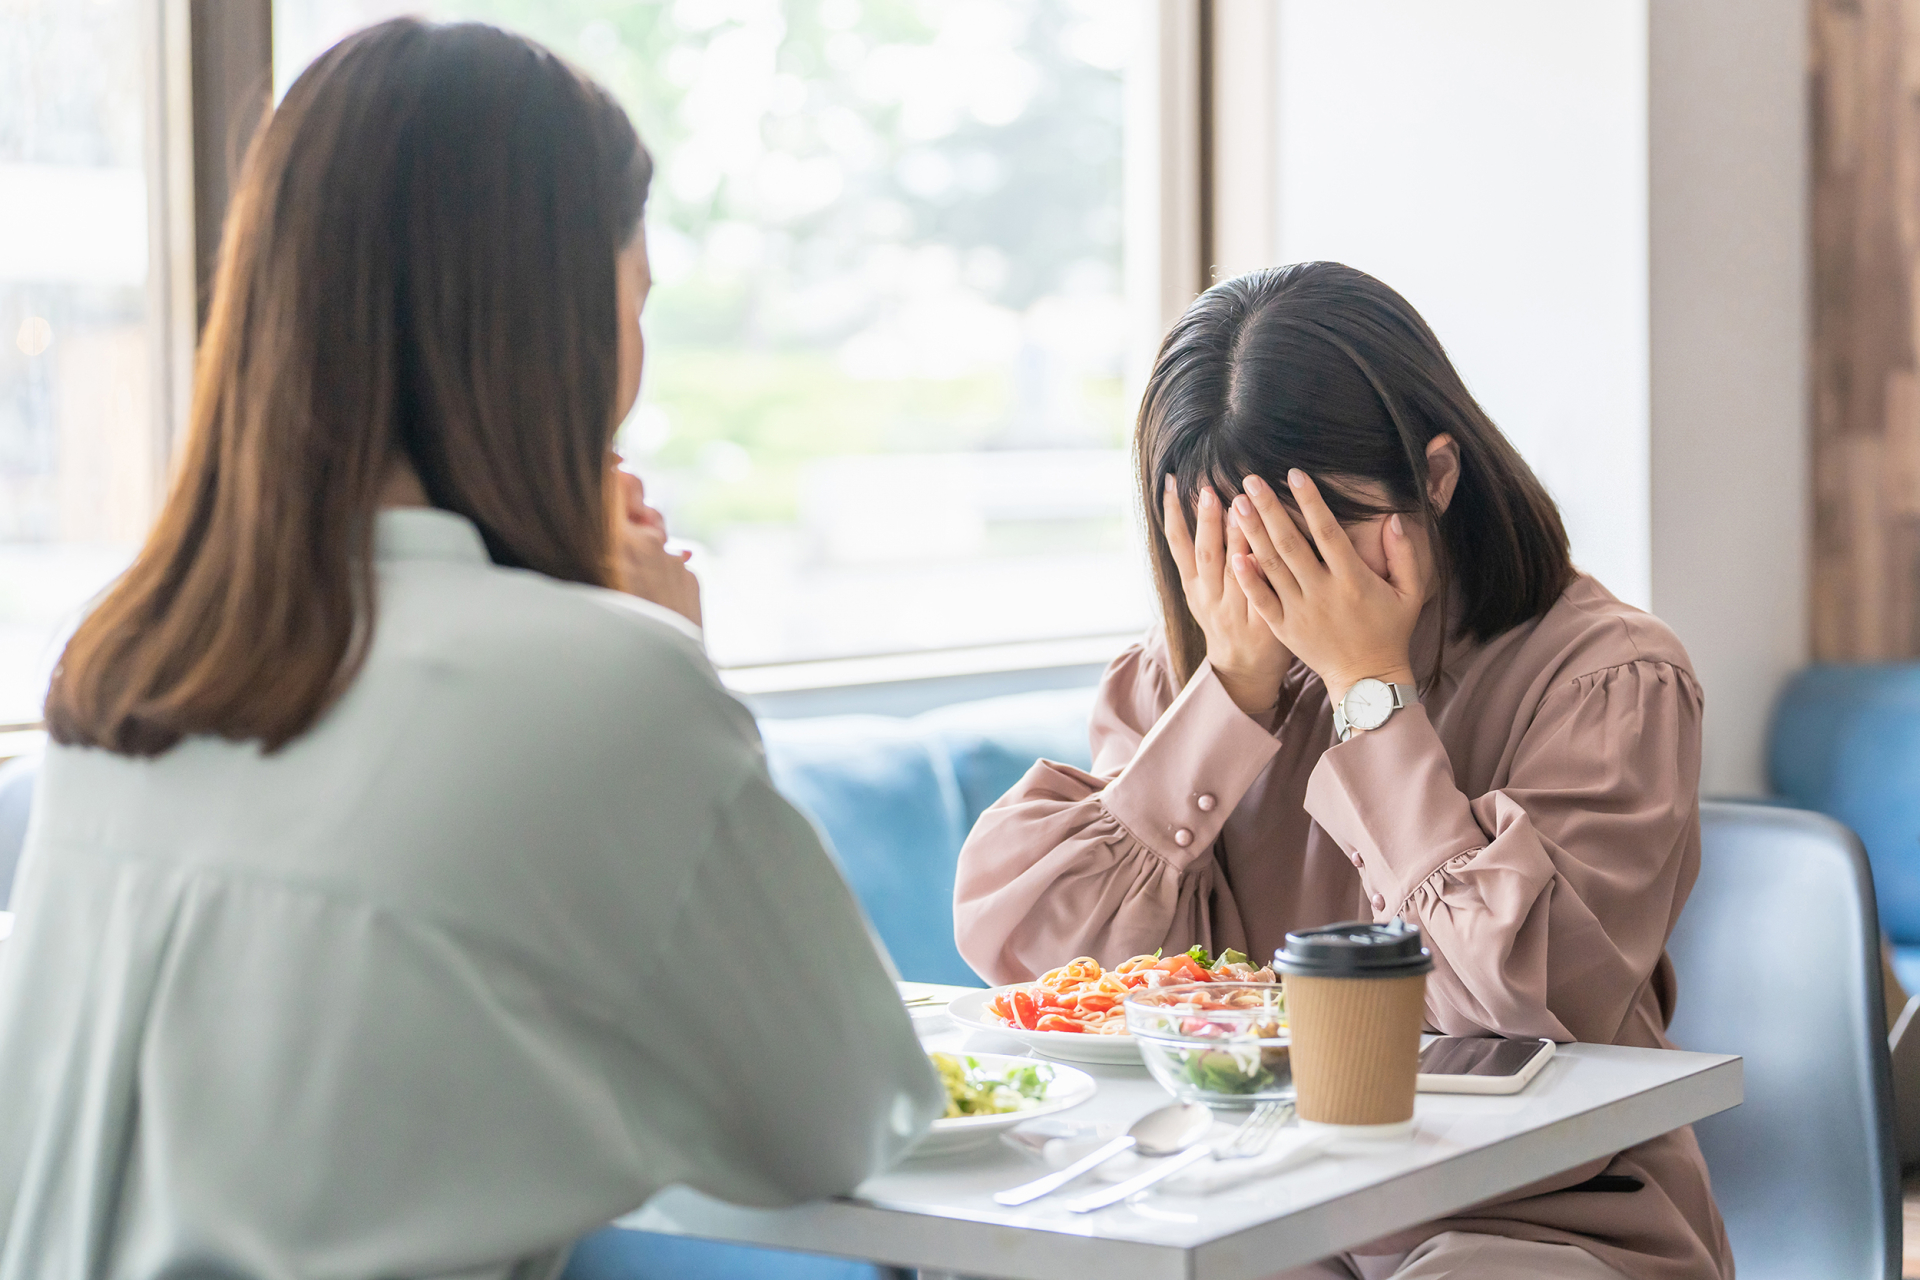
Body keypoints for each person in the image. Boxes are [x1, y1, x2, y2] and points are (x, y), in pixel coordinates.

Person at [0, 19, 942, 1280]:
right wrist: (664, 651)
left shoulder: (125, 667)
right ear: (557, 329)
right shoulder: (601, 687)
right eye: (637, 301)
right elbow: (846, 1117)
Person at [954, 263, 1731, 1280]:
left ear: (1436, 480)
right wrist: (1227, 696)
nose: (1277, 579)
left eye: (1316, 533)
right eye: (1234, 539)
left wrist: (1372, 693)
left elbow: (1523, 1004)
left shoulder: (1610, 677)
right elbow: (1056, 969)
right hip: (1255, 1205)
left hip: (1537, 1217)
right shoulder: (1171, 679)